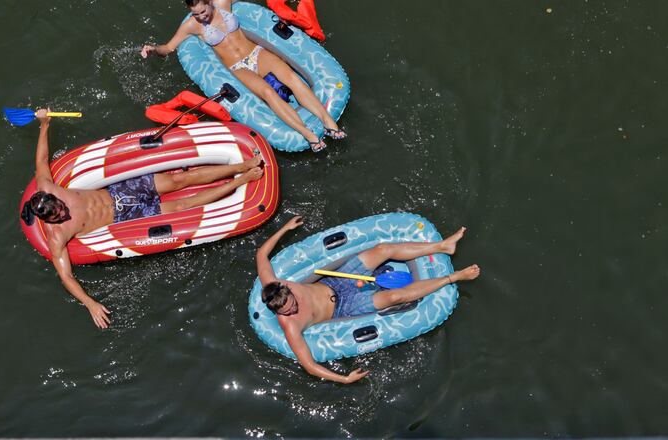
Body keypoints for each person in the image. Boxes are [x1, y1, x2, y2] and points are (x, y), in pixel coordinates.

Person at [24, 109, 263, 328]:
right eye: (58, 216)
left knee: (179, 181)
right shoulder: (58, 235)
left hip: (121, 191)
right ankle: (240, 181)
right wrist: (90, 303)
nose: (63, 212)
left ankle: (241, 166)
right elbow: (66, 276)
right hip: (126, 215)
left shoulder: (49, 187)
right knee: (182, 205)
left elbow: (42, 161)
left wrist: (44, 124)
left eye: (60, 207)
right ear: (50, 220)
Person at [255, 215, 481, 384]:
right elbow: (310, 366)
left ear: (285, 287)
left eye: (292, 302)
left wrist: (285, 228)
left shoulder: (273, 283)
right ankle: (454, 277)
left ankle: (443, 246)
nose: (292, 309)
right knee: (394, 296)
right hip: (344, 307)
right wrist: (344, 379)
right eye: (287, 310)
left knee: (382, 249)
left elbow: (261, 255)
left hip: (335, 282)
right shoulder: (290, 325)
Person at [140, 0, 346, 152]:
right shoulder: (191, 26)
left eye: (203, 11)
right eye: (195, 14)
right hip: (238, 66)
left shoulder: (223, 3)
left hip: (256, 53)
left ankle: (327, 121)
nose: (201, 17)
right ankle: (307, 134)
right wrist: (153, 49)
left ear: (210, 3)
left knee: (290, 77)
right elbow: (168, 47)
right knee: (267, 92)